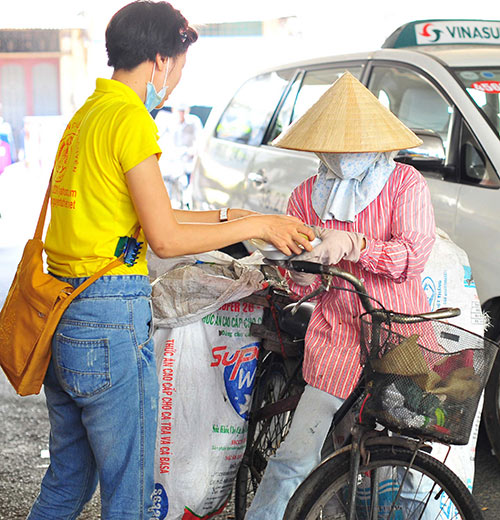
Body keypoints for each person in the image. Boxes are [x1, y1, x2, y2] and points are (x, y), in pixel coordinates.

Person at [27, 2, 314, 520]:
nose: (177, 80)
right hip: (109, 321)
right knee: (131, 495)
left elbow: (151, 213)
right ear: (160, 61)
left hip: (65, 314)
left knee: (68, 481)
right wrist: (259, 227)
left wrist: (232, 215)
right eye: (179, 67)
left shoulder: (89, 113)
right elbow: (163, 237)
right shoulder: (131, 120)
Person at [245, 72, 436, 520]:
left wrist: (357, 244)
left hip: (401, 334)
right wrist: (293, 261)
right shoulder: (307, 196)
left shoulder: (404, 184)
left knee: (409, 464)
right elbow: (302, 286)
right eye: (333, 145)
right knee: (298, 455)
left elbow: (414, 256)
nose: (343, 155)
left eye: (353, 144)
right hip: (337, 337)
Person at [156, 103, 203, 206]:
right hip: (168, 166)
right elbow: (158, 142)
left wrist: (192, 151)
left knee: (183, 193)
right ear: (173, 110)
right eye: (179, 110)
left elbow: (200, 142)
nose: (181, 114)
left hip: (186, 166)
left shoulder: (194, 122)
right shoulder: (166, 122)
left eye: (183, 111)